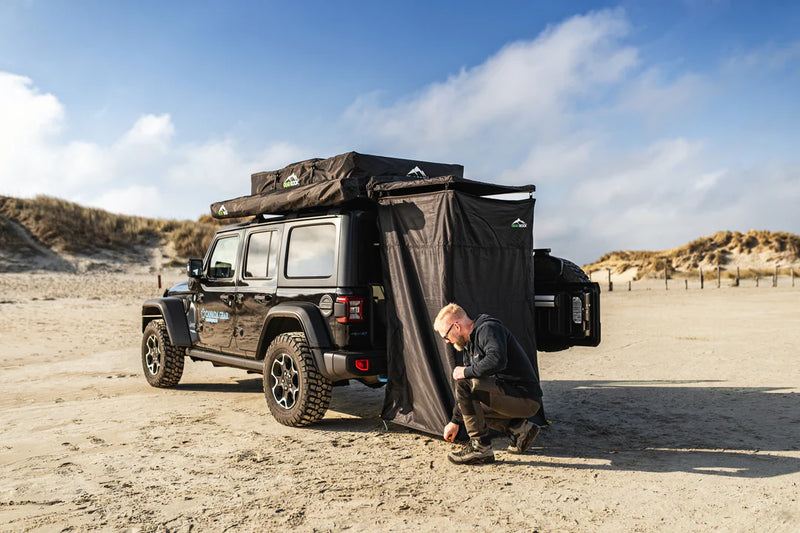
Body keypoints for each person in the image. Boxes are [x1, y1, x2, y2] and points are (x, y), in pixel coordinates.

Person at [434, 303, 543, 465]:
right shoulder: (469, 345)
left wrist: (465, 371)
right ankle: (521, 430)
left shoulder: (488, 328)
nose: (447, 342)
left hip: (525, 398)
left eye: (446, 336)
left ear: (456, 326)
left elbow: (497, 360)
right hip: (510, 397)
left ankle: (480, 449)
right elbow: (467, 400)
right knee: (469, 406)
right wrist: (455, 421)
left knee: (465, 383)